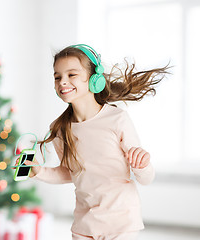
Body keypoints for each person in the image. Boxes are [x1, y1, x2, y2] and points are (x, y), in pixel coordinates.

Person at [18, 44, 169, 240]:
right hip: (84, 223)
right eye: (57, 77)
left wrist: (142, 165)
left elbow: (146, 178)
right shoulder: (60, 128)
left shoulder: (117, 119)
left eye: (71, 75)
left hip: (121, 221)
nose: (62, 81)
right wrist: (40, 172)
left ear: (94, 79)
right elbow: (71, 172)